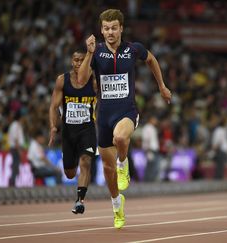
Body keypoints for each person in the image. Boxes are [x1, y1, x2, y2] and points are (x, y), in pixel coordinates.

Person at [78, 9, 172, 229]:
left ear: (121, 28)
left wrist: (162, 86)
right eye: (106, 28)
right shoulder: (97, 52)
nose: (110, 32)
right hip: (103, 117)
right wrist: (89, 53)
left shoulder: (132, 49)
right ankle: (116, 204)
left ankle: (124, 162)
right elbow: (81, 80)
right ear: (101, 30)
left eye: (114, 28)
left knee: (121, 138)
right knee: (108, 172)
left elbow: (151, 60)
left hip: (127, 112)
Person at [49, 50, 98, 214]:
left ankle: (80, 201)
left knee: (86, 162)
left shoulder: (94, 81)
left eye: (82, 60)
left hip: (87, 130)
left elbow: (105, 101)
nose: (78, 63)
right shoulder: (62, 80)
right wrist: (53, 127)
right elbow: (54, 106)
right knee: (70, 173)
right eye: (76, 60)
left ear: (87, 61)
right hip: (68, 132)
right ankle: (73, 159)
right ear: (71, 61)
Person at [8, 110, 25, 187]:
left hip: (15, 148)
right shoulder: (15, 125)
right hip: (15, 148)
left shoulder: (16, 125)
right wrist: (19, 150)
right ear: (20, 118)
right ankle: (12, 183)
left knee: (16, 165)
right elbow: (16, 139)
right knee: (15, 165)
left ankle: (13, 182)